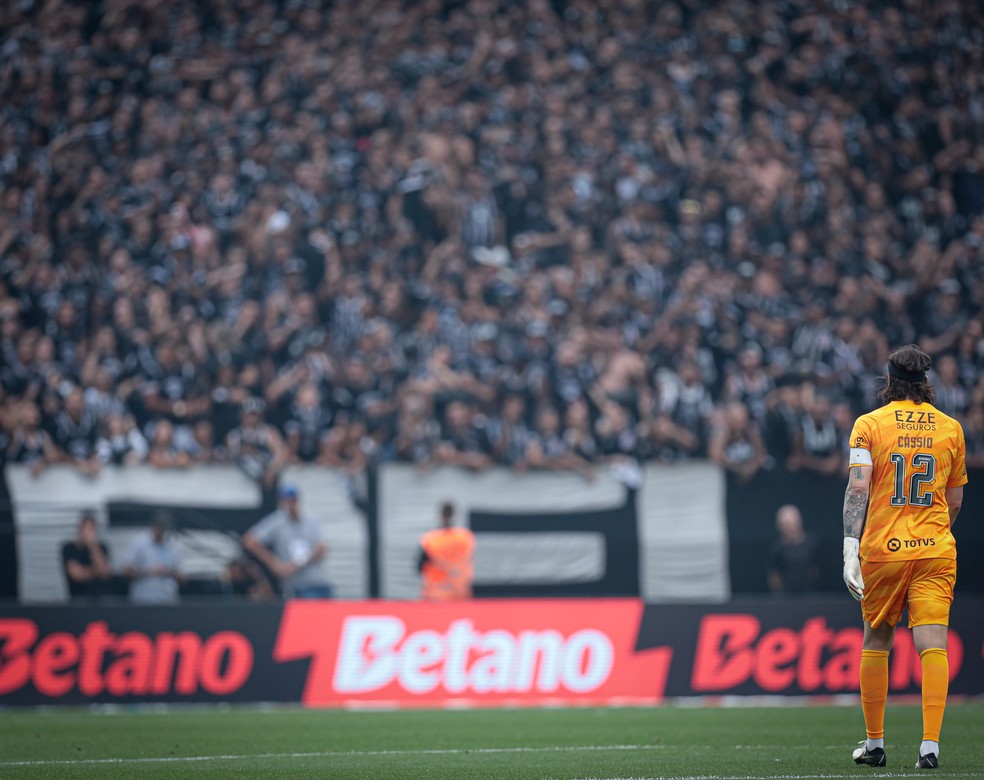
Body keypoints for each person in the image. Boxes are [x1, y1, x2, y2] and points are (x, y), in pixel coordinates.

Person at [842, 345, 967, 770]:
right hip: (935, 548)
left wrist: (849, 548)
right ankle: (929, 746)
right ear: (926, 381)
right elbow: (954, 502)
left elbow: (858, 489)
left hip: (883, 549)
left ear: (889, 380)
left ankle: (875, 744)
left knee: (877, 641)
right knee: (932, 644)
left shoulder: (868, 425)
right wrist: (929, 536)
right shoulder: (951, 428)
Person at [243, 484, 332, 598]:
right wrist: (275, 564)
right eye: (287, 500)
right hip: (296, 586)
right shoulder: (276, 522)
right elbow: (250, 540)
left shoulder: (311, 520)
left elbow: (322, 548)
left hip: (318, 580)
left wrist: (296, 564)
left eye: (293, 500)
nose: (291, 504)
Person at [123, 511, 186, 604]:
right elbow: (126, 571)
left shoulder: (174, 546)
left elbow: (183, 577)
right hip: (143, 600)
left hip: (168, 599)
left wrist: (170, 572)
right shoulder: (138, 543)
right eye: (160, 528)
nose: (162, 532)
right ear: (152, 526)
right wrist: (149, 571)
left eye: (164, 529)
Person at [418, 501, 475, 601]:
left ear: (441, 515)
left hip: (435, 594)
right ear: (454, 515)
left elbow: (419, 567)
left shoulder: (430, 539)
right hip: (461, 593)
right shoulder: (466, 537)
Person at [766, 504, 818, 593]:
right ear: (779, 526)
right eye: (786, 524)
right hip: (785, 598)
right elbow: (773, 575)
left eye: (792, 523)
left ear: (799, 522)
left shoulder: (812, 543)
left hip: (809, 595)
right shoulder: (776, 548)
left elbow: (816, 569)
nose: (790, 527)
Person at [61, 511, 112, 601]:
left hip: (101, 599)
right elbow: (76, 575)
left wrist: (92, 546)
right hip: (78, 599)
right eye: (86, 528)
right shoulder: (69, 548)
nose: (88, 533)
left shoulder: (102, 548)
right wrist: (96, 572)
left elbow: (105, 573)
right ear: (79, 529)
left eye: (91, 529)